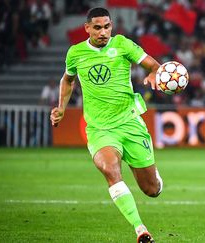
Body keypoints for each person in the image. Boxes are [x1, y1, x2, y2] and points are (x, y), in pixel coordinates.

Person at [50, 8, 162, 243]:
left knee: (151, 190)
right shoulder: (76, 53)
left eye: (107, 26)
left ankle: (152, 176)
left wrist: (154, 73)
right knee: (111, 171)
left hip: (130, 123)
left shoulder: (122, 44)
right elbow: (67, 80)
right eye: (98, 27)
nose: (103, 32)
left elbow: (153, 64)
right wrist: (61, 107)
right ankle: (140, 228)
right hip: (100, 129)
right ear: (87, 28)